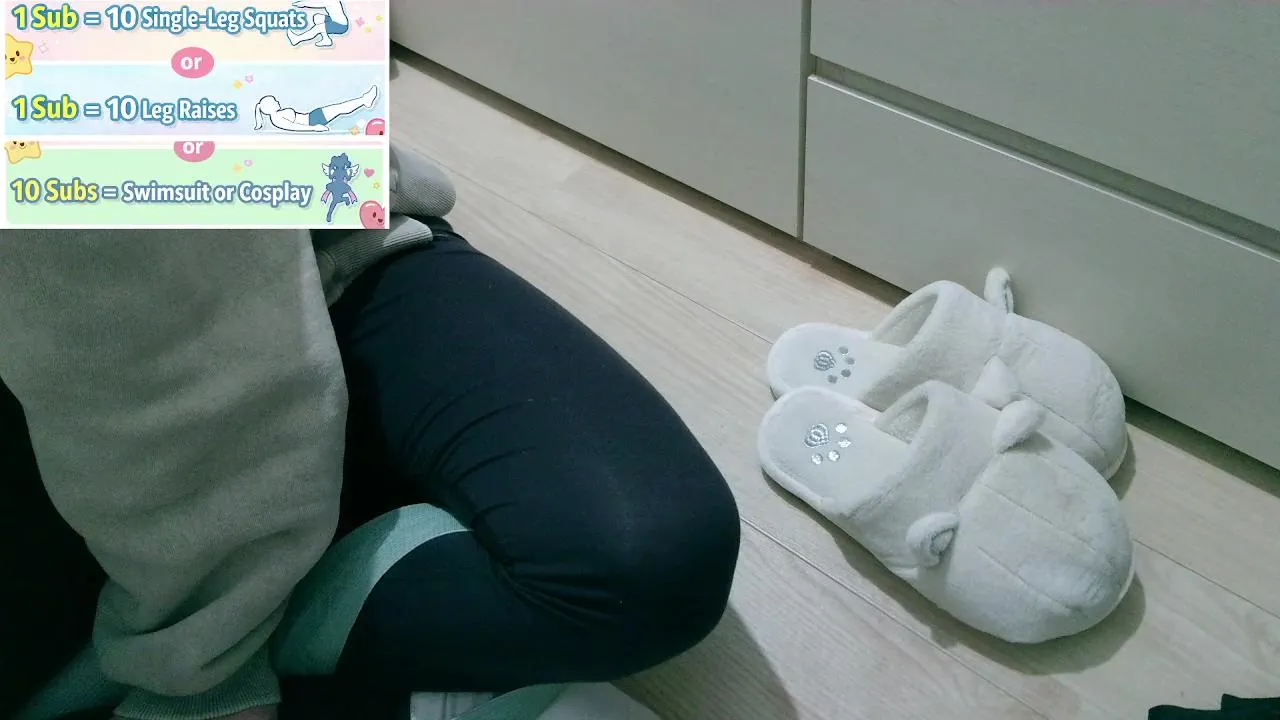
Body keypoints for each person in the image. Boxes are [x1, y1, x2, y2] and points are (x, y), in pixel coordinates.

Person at [0, 144, 741, 720]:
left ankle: (278, 596)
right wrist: (202, 665)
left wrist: (206, 657)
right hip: (60, 366)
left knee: (644, 565)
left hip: (311, 231)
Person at [253, 86, 379, 133]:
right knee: (340, 108)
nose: (277, 102)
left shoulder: (277, 116)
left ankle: (364, 100)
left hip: (312, 116)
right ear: (269, 107)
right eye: (274, 101)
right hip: (313, 121)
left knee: (339, 108)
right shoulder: (277, 119)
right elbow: (295, 127)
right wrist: (314, 128)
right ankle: (364, 100)